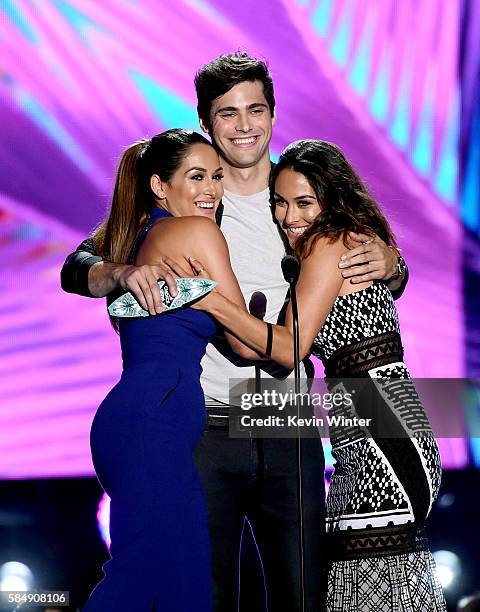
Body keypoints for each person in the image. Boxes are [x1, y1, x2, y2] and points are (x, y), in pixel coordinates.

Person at [61, 53, 408, 611]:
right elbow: (78, 263)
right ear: (206, 120)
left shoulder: (298, 189)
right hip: (208, 425)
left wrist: (393, 264)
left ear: (273, 114)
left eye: (256, 110)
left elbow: (362, 265)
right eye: (228, 114)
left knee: (303, 595)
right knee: (207, 592)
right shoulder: (194, 195)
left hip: (288, 422)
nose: (245, 125)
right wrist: (119, 271)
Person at [190, 139, 446, 611]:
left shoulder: (329, 243)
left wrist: (206, 298)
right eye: (280, 203)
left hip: (383, 435)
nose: (290, 217)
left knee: (364, 591)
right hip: (380, 422)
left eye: (304, 202)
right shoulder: (343, 240)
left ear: (333, 199)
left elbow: (288, 348)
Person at [81, 128, 246, 611]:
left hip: (139, 417)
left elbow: (81, 261)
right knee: (144, 580)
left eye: (217, 177)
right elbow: (243, 338)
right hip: (158, 414)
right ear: (159, 186)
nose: (211, 190)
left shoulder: (131, 239)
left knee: (181, 586)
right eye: (196, 177)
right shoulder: (195, 231)